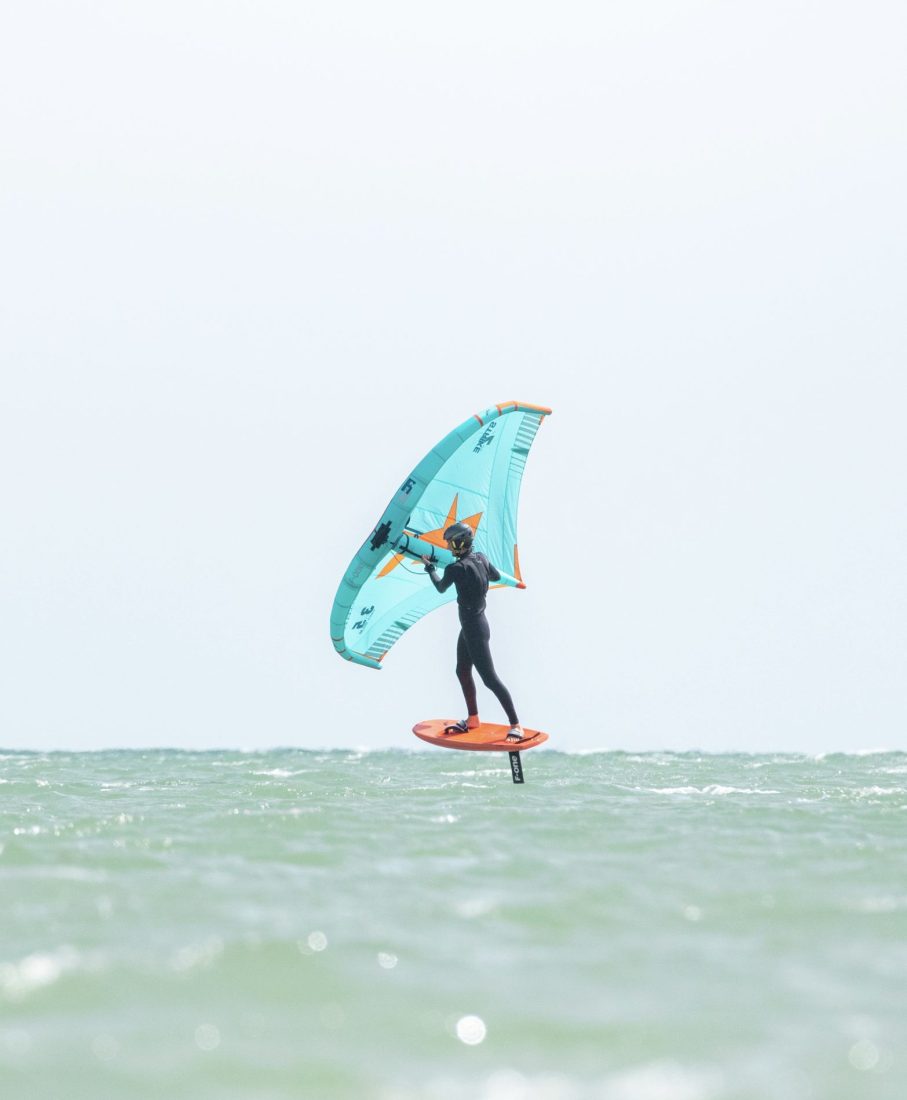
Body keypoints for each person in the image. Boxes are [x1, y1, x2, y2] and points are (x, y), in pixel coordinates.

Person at [422, 521, 525, 742]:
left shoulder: (455, 569)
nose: (448, 548)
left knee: (490, 679)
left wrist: (430, 569)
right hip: (474, 625)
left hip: (474, 630)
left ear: (459, 543)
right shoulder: (482, 559)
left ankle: (516, 725)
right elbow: (495, 577)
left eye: (450, 543)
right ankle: (473, 719)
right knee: (461, 670)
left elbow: (440, 588)